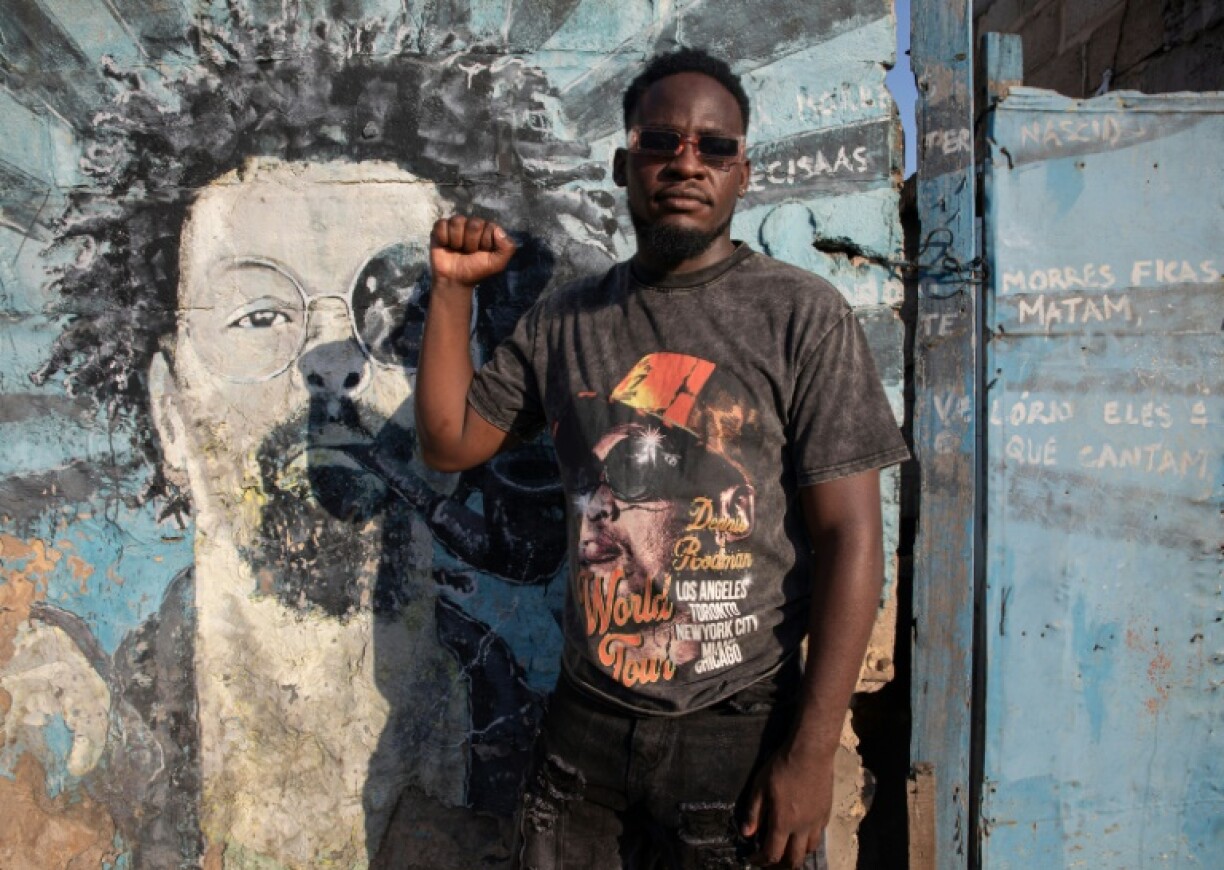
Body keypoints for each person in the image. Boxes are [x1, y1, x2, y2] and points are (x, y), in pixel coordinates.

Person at [0, 17, 616, 868]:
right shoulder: (71, 737)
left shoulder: (561, 735)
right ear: (169, 411)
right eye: (260, 315)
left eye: (393, 310)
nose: (333, 360)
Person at [415, 47, 909, 869]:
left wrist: (812, 753)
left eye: (715, 146)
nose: (688, 161)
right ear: (624, 163)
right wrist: (453, 289)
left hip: (740, 734)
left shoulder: (801, 315)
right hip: (585, 740)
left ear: (743, 173)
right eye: (662, 141)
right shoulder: (567, 321)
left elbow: (852, 539)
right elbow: (448, 441)